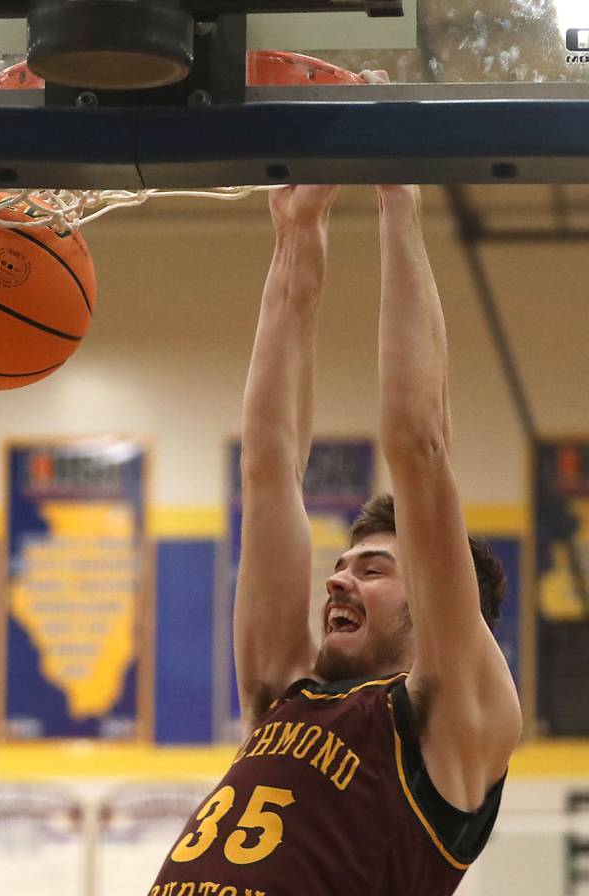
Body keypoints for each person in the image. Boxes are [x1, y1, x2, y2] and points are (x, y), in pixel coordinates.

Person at [148, 127, 522, 896]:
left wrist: (398, 195)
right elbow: (268, 462)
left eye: (374, 568)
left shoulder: (453, 723)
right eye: (344, 565)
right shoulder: (284, 690)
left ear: (445, 610)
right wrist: (297, 237)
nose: (339, 581)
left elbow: (418, 444)